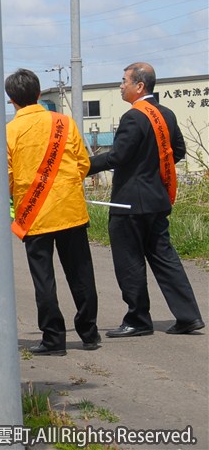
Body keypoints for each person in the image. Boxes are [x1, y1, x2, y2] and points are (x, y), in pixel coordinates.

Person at [88, 62, 204, 337]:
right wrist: (150, 169)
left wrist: (83, 165)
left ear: (139, 86)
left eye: (123, 81)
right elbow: (177, 151)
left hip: (129, 203)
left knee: (129, 262)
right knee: (165, 259)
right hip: (157, 199)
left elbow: (118, 156)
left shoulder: (134, 117)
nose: (120, 86)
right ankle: (189, 316)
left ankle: (138, 320)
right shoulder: (166, 113)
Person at [5, 68, 100, 356]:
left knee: (43, 278)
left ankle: (54, 338)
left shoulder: (9, 131)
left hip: (34, 214)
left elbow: (7, 175)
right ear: (38, 93)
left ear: (11, 100)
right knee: (81, 274)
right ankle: (89, 333)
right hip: (69, 209)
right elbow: (83, 163)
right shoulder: (64, 122)